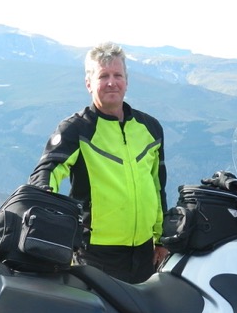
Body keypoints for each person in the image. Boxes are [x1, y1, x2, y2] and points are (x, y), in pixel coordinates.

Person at [29, 41, 168, 283]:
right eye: (103, 76)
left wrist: (162, 239)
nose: (111, 82)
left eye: (117, 75)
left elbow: (158, 186)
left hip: (146, 253)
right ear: (89, 83)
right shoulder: (77, 129)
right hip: (96, 255)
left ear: (127, 81)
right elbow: (48, 170)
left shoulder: (150, 127)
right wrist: (44, 206)